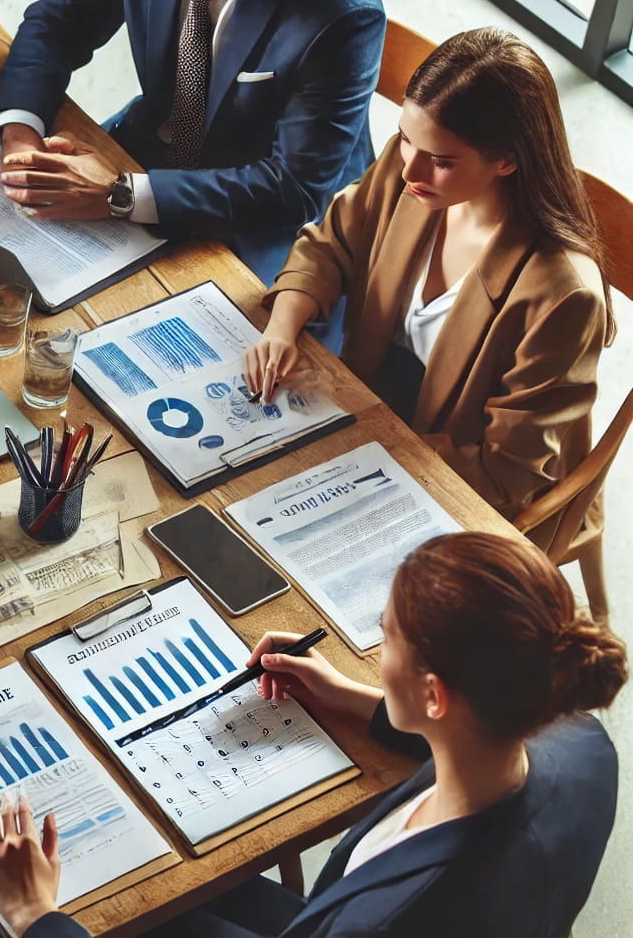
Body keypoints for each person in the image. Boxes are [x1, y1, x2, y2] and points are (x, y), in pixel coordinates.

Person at [0, 531, 623, 938]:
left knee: (109, 919)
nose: (378, 645)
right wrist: (349, 696)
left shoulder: (377, 932)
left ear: (434, 695)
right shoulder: (581, 744)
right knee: (172, 888)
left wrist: (36, 918)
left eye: (388, 635)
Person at [243, 28, 613, 550]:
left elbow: (505, 472)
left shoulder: (564, 294)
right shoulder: (413, 167)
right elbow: (330, 245)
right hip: (372, 401)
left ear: (506, 159)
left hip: (460, 471)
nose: (409, 168)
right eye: (406, 138)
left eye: (441, 159)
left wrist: (366, 439)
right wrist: (281, 329)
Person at [0, 0, 384, 284]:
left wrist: (118, 194)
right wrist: (21, 139)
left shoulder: (343, 13)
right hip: (150, 145)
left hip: (258, 211)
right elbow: (58, 23)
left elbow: (292, 188)